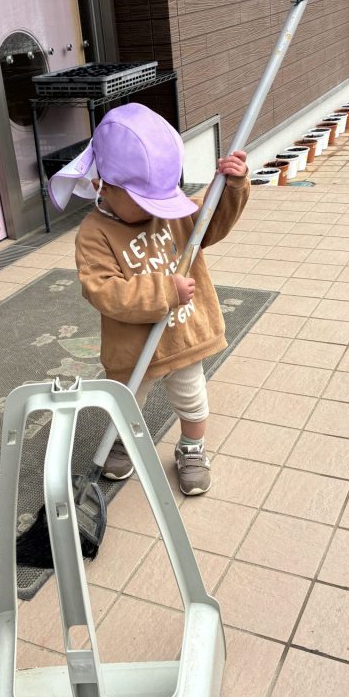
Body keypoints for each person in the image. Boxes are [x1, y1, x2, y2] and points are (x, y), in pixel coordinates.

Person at [49, 102, 249, 495]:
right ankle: (122, 441)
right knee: (125, 401)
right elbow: (102, 289)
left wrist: (231, 187)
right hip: (132, 345)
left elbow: (208, 226)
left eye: (159, 199)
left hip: (182, 334)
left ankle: (192, 447)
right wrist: (163, 291)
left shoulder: (171, 212)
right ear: (102, 185)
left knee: (192, 398)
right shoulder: (94, 233)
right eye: (144, 201)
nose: (153, 210)